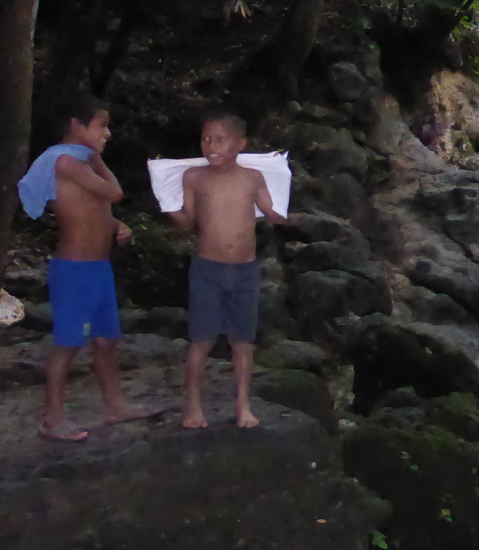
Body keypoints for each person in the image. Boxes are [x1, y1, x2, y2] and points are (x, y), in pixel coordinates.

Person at [17, 95, 157, 441]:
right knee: (68, 344)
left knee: (106, 340)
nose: (107, 133)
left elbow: (93, 208)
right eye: (102, 125)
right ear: (77, 126)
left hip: (98, 269)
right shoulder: (67, 162)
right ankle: (52, 418)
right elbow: (113, 192)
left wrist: (116, 226)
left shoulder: (79, 161)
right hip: (75, 270)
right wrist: (97, 159)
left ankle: (114, 404)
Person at [169, 112, 285, 429]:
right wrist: (170, 211)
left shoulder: (252, 178)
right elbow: (189, 223)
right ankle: (192, 404)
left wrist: (283, 215)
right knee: (201, 340)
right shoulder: (194, 177)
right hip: (207, 268)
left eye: (220, 139)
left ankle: (243, 404)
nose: (211, 146)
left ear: (240, 144)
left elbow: (272, 210)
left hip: (246, 270)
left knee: (242, 341)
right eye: (206, 139)